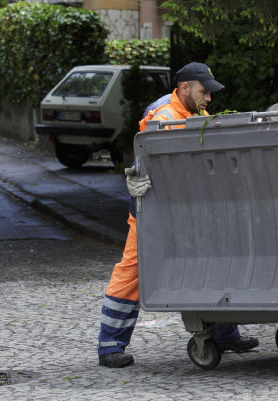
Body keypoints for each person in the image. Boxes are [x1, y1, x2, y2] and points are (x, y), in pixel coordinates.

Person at [97, 62, 259, 368]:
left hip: (186, 206)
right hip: (154, 206)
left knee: (216, 262)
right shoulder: (164, 115)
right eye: (204, 92)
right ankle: (109, 345)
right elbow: (150, 158)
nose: (209, 99)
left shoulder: (195, 112)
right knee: (132, 271)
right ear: (185, 88)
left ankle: (225, 335)